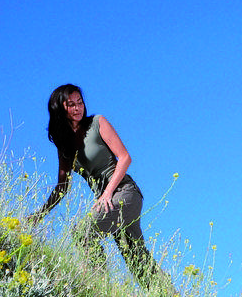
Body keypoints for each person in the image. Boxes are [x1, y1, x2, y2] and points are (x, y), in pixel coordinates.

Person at [29, 84, 161, 286]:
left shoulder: (97, 123)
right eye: (71, 104)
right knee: (138, 261)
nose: (78, 108)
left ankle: (100, 288)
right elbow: (62, 187)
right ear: (60, 109)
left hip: (124, 193)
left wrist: (107, 194)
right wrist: (40, 214)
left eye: (80, 102)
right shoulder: (64, 144)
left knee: (83, 233)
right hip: (108, 201)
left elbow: (125, 158)